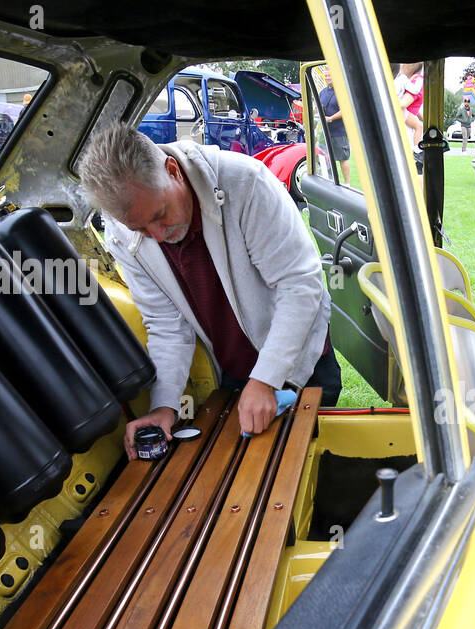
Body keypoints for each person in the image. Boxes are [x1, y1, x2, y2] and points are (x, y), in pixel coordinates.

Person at [78, 123, 340, 458]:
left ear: (172, 171)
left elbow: (299, 285)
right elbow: (166, 323)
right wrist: (165, 406)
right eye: (140, 228)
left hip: (301, 362)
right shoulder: (121, 229)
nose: (156, 236)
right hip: (235, 371)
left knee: (307, 469)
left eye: (160, 216)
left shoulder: (246, 183)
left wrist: (267, 378)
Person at [319, 67, 351, 183]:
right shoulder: (322, 92)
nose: (327, 78)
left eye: (330, 76)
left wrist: (331, 118)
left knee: (343, 158)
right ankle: (330, 181)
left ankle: (347, 183)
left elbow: (345, 110)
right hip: (325, 132)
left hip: (339, 132)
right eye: (326, 76)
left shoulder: (342, 91)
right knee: (324, 158)